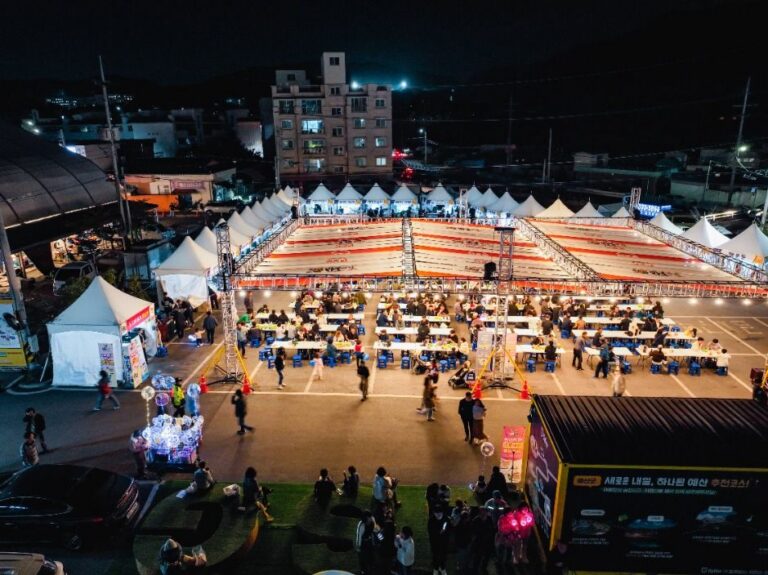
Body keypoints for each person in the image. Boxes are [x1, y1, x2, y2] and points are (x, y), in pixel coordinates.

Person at [427, 505, 450, 575]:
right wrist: (438, 532)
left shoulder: (446, 519)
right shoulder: (431, 520)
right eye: (436, 513)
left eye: (440, 513)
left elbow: (449, 529)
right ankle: (436, 568)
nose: (438, 515)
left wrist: (445, 531)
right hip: (435, 542)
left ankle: (442, 568)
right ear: (434, 513)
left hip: (444, 542)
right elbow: (430, 532)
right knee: (436, 556)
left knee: (443, 556)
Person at [354, 511, 379, 575]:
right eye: (370, 517)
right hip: (363, 543)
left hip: (369, 541)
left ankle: (370, 568)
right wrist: (358, 546)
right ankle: (363, 571)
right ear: (366, 518)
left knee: (371, 557)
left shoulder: (372, 521)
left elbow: (376, 530)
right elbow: (358, 535)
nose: (372, 518)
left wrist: (381, 538)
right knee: (363, 558)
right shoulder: (361, 525)